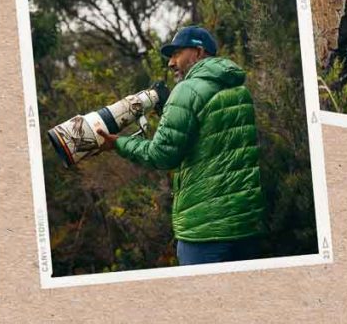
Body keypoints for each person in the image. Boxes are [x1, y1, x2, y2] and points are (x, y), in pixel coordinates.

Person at [100, 25, 265, 266]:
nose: (170, 63)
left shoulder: (187, 90)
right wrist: (171, 110)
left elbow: (162, 154)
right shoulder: (239, 88)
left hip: (205, 231)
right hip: (246, 225)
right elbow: (213, 142)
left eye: (177, 54)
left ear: (198, 53)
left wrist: (119, 143)